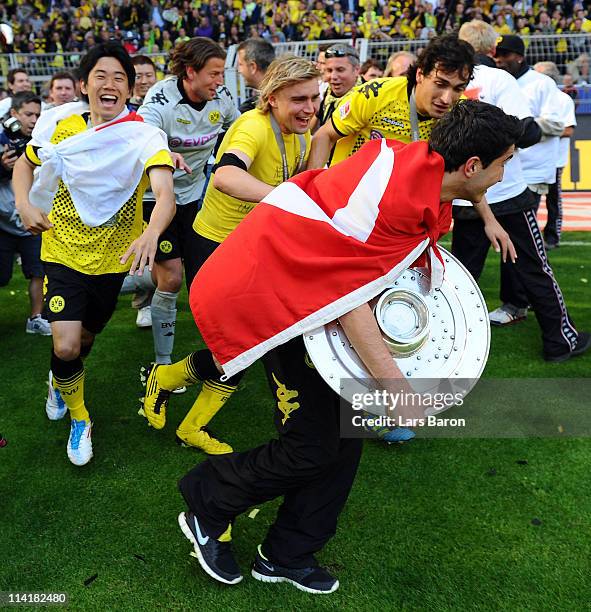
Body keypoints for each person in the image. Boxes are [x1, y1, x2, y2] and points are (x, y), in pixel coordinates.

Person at [142, 100, 523, 593]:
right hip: (276, 300)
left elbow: (362, 274)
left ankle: (288, 554)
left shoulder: (424, 172)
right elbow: (344, 298)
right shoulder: (394, 197)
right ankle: (208, 499)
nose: (503, 173)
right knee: (311, 446)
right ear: (472, 166)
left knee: (345, 436)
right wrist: (397, 391)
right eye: (503, 163)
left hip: (307, 294)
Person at [144, 56, 320, 454]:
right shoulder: (253, 126)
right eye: (298, 99)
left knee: (246, 344)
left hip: (253, 251)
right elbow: (224, 175)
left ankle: (179, 404)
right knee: (242, 344)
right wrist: (285, 198)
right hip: (217, 249)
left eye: (314, 98)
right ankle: (170, 385)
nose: (309, 108)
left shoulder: (301, 135)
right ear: (272, 98)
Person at [13, 43, 175, 466]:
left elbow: (163, 192)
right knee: (66, 345)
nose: (110, 84)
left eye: (119, 77)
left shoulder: (143, 136)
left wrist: (152, 231)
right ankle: (81, 419)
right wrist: (26, 205)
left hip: (110, 260)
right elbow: (23, 167)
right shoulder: (61, 127)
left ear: (129, 89)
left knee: (83, 342)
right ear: (84, 86)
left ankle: (60, 380)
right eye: (100, 76)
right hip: (62, 250)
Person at [454, 22, 589, 363]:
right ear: (492, 49)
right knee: (533, 266)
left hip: (463, 193)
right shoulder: (500, 79)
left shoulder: (451, 79)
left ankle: (448, 348)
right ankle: (560, 340)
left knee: (460, 276)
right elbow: (524, 132)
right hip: (506, 191)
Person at [128, 38, 239, 372]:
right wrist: (163, 150)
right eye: (214, 73)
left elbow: (240, 127)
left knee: (203, 276)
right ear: (191, 72)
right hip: (155, 199)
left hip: (194, 197)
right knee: (173, 279)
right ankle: (162, 364)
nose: (220, 81)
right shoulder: (161, 99)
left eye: (222, 73)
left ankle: (137, 278)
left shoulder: (221, 98)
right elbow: (139, 136)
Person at [491, 34, 567, 326]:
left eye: (506, 55)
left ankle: (516, 304)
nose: (500, 59)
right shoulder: (499, 82)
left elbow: (558, 123)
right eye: (497, 55)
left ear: (520, 56)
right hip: (505, 174)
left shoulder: (540, 83)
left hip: (532, 173)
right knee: (512, 241)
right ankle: (521, 301)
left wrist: (517, 127)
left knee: (518, 243)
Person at [0, 92, 48, 335]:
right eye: (28, 114)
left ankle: (36, 318)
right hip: (2, 221)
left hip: (31, 219)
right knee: (2, 276)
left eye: (38, 115)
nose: (34, 120)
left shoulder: (42, 140)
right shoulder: (1, 139)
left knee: (38, 271)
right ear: (13, 115)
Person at [534, 61, 576, 250]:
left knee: (553, 199)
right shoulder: (535, 95)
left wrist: (537, 130)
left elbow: (568, 130)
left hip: (554, 159)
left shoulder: (562, 99)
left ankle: (552, 237)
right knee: (528, 200)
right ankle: (530, 236)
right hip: (534, 157)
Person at [314, 44, 360, 129]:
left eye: (340, 70)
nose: (333, 76)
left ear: (356, 70)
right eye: (329, 70)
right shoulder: (328, 93)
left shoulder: (369, 96)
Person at [236, 38, 276, 113]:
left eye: (240, 64)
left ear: (253, 67)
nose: (238, 70)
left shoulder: (250, 111)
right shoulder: (286, 96)